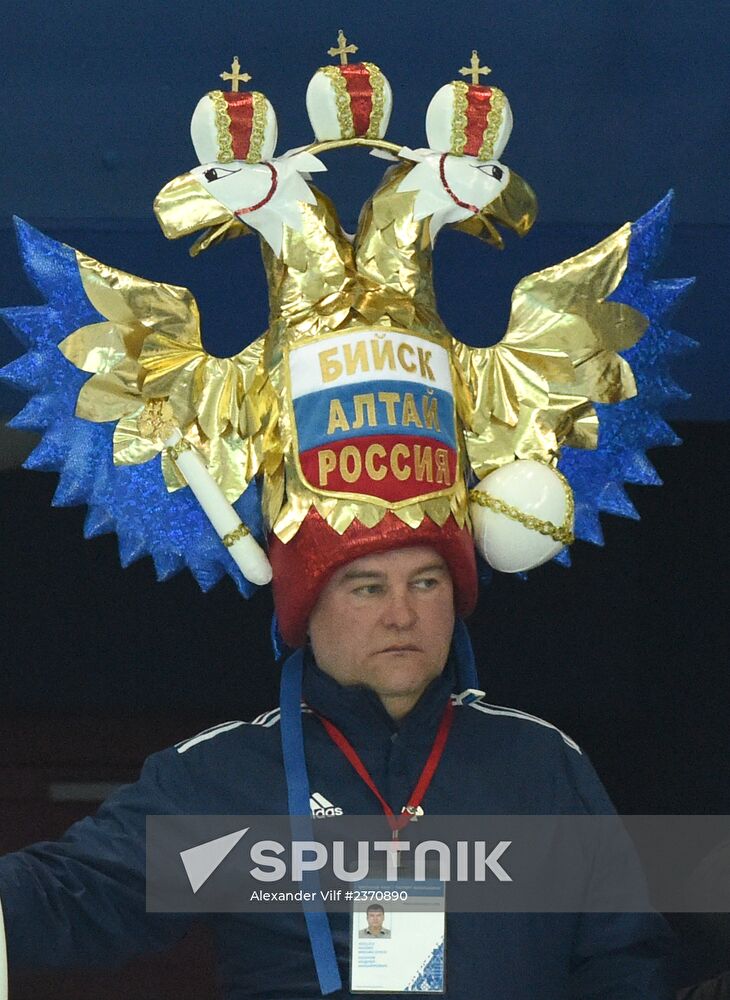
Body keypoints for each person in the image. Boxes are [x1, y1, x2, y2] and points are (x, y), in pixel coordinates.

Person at [0, 43, 689, 999]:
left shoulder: (538, 768)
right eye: (365, 586)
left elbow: (626, 969)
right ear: (308, 604)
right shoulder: (230, 789)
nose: (401, 613)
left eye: (426, 582)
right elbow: (75, 899)